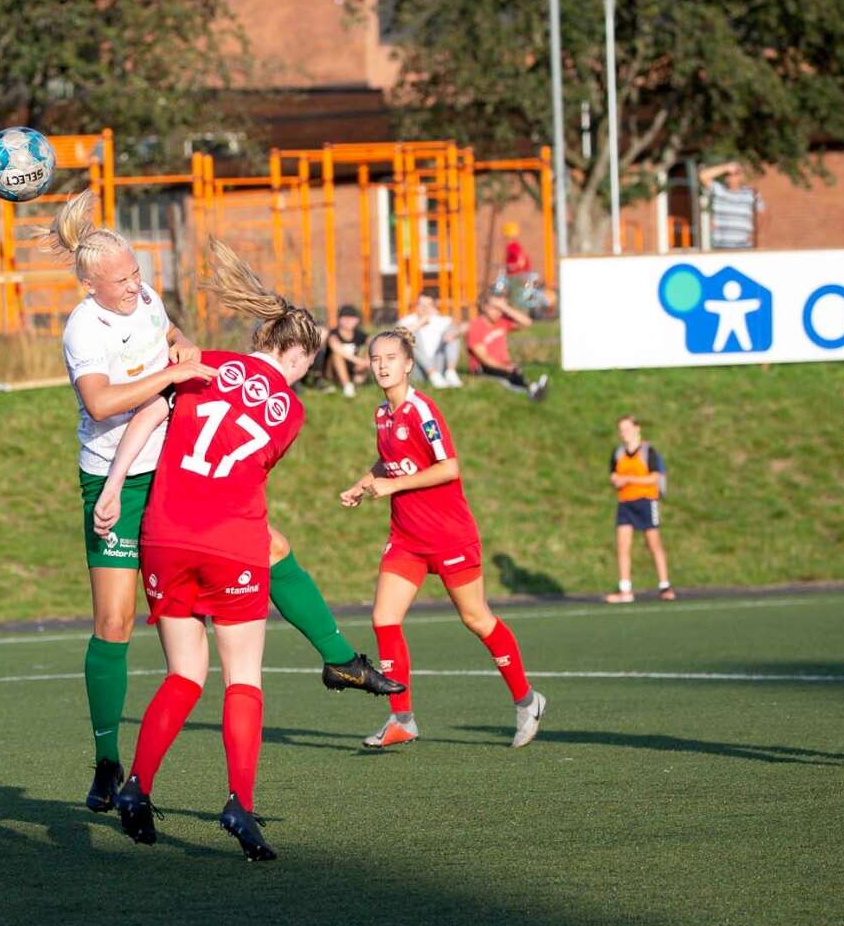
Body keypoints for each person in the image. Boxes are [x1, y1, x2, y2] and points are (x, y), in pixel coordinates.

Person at [46, 191, 396, 814]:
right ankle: (106, 761)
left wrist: (182, 346)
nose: (135, 286)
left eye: (136, 273)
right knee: (114, 623)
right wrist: (172, 375)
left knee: (269, 544)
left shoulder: (143, 300)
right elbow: (100, 404)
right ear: (89, 285)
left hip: (171, 465)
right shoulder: (82, 327)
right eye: (122, 281)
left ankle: (340, 658)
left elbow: (169, 335)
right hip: (114, 475)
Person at [340, 327, 546, 749]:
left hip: (449, 535)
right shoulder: (382, 414)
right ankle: (402, 719)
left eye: (390, 358)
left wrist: (393, 486)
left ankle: (527, 701)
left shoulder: (423, 410)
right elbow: (389, 461)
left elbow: (449, 467)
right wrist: (362, 485)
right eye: (376, 358)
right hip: (406, 538)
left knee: (476, 619)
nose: (382, 365)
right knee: (384, 619)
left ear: (408, 364)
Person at [606, 415, 673, 603]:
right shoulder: (618, 453)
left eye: (627, 429)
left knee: (654, 543)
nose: (624, 433)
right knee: (622, 545)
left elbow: (655, 477)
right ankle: (625, 589)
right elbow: (613, 474)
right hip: (625, 502)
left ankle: (664, 586)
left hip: (646, 501)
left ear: (637, 429)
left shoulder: (648, 452)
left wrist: (629, 479)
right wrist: (616, 480)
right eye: (621, 430)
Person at [465, 295, 548, 401]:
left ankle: (532, 388)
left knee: (513, 373)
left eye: (500, 309)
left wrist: (506, 308)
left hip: (504, 364)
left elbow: (527, 322)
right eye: (495, 308)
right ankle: (532, 389)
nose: (498, 312)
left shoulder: (502, 321)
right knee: (509, 374)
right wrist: (504, 367)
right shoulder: (475, 326)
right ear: (484, 307)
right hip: (482, 367)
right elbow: (484, 358)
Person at [397, 295, 461, 388]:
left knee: (452, 336)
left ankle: (451, 372)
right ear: (416, 306)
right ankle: (433, 374)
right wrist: (421, 322)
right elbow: (398, 335)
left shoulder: (441, 320)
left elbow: (462, 326)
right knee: (409, 338)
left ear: (433, 307)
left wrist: (453, 332)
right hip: (417, 368)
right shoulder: (408, 320)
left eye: (428, 305)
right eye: (421, 305)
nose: (424, 308)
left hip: (438, 362)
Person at [699, 163, 764, 251]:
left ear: (741, 176)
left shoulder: (751, 193)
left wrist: (756, 234)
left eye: (736, 174)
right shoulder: (719, 190)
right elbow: (703, 176)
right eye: (729, 175)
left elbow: (764, 215)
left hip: (744, 246)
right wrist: (725, 168)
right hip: (721, 246)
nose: (732, 178)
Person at [323, 305, 369, 397]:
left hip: (354, 369)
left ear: (357, 320)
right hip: (332, 371)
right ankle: (347, 386)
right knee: (337, 354)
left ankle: (357, 380)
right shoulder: (333, 333)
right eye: (345, 318)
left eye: (351, 318)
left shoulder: (359, 334)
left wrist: (369, 360)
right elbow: (335, 347)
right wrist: (360, 361)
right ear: (339, 319)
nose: (348, 321)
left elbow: (373, 341)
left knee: (371, 350)